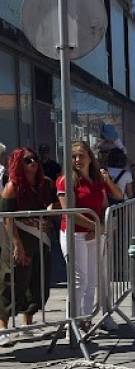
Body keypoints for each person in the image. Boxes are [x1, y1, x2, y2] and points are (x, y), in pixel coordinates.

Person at [0, 148, 57, 346]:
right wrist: (17, 245)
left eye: (35, 159)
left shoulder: (46, 183)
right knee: (13, 280)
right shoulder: (12, 187)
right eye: (27, 160)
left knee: (37, 280)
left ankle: (27, 324)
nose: (33, 162)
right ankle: (2, 328)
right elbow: (7, 219)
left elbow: (55, 203)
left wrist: (50, 211)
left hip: (40, 239)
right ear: (18, 163)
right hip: (17, 238)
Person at [57, 141, 108, 328]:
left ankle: (86, 319)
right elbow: (69, 211)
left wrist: (98, 226)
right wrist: (95, 226)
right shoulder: (65, 180)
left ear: (89, 157)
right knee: (79, 280)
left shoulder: (96, 180)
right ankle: (73, 323)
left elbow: (103, 206)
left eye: (81, 155)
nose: (77, 160)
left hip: (93, 235)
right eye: (73, 156)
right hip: (74, 234)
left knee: (92, 280)